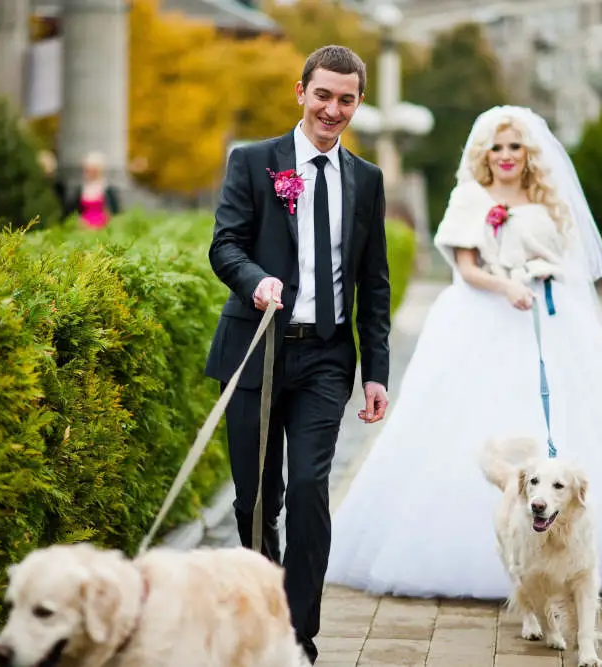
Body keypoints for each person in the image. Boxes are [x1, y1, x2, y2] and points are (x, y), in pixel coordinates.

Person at [324, 105, 602, 600]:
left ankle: (578, 548)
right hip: (483, 314)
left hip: (547, 319)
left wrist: (544, 271)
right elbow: (467, 267)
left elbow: (566, 259)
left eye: (515, 146)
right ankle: (485, 552)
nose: (506, 156)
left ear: (528, 152)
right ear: (484, 154)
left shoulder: (546, 198)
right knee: (468, 421)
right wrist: (506, 286)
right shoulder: (469, 197)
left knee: (578, 412)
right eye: (496, 147)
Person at [204, 45, 392, 664]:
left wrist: (376, 373)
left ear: (359, 103)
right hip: (255, 350)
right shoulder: (254, 162)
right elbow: (224, 245)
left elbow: (374, 282)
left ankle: (297, 633)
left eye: (346, 99)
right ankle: (262, 615)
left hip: (326, 359)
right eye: (323, 95)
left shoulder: (366, 180)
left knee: (309, 487)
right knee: (255, 497)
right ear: (300, 92)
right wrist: (256, 280)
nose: (332, 109)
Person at [69, 151, 120, 228]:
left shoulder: (107, 189)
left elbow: (115, 211)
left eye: (93, 170)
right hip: (83, 227)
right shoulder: (81, 189)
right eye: (87, 170)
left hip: (103, 227)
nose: (89, 172)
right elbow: (73, 210)